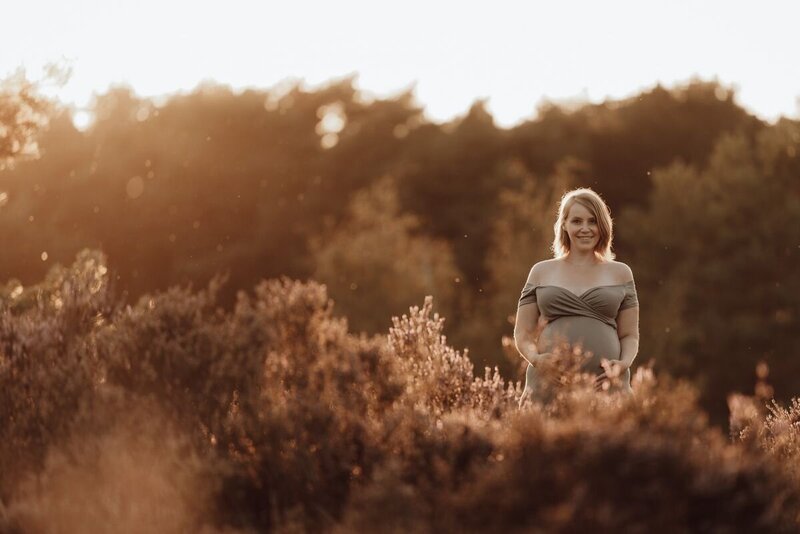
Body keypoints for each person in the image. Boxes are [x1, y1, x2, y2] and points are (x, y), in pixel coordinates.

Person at [514, 187, 640, 406]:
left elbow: (629, 335)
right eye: (577, 221)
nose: (585, 229)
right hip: (549, 384)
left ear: (603, 226)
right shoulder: (541, 272)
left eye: (592, 221)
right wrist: (536, 359)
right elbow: (522, 332)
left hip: (608, 386)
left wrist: (622, 365)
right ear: (564, 224)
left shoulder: (621, 273)